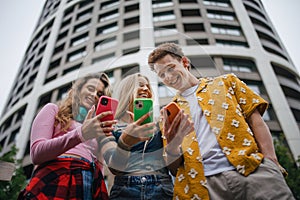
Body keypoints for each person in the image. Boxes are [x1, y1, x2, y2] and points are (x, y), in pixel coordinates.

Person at [147, 43, 295, 200]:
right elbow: (174, 168)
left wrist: (271, 161)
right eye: (162, 75)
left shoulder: (227, 82)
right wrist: (172, 145)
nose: (168, 77)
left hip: (253, 171)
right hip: (202, 188)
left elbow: (256, 121)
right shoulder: (168, 114)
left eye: (170, 68)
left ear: (185, 63)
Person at [18, 73, 116, 200]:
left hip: (89, 183)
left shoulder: (97, 129)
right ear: (78, 89)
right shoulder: (53, 110)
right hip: (55, 177)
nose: (94, 95)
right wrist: (81, 134)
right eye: (90, 89)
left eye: (99, 94)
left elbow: (100, 168)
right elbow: (37, 153)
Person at [99, 73, 191, 200]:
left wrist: (173, 145)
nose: (146, 89)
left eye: (148, 87)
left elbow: (175, 170)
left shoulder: (161, 125)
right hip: (124, 191)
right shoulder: (110, 126)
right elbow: (115, 168)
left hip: (162, 189)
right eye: (140, 85)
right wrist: (125, 142)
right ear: (127, 90)